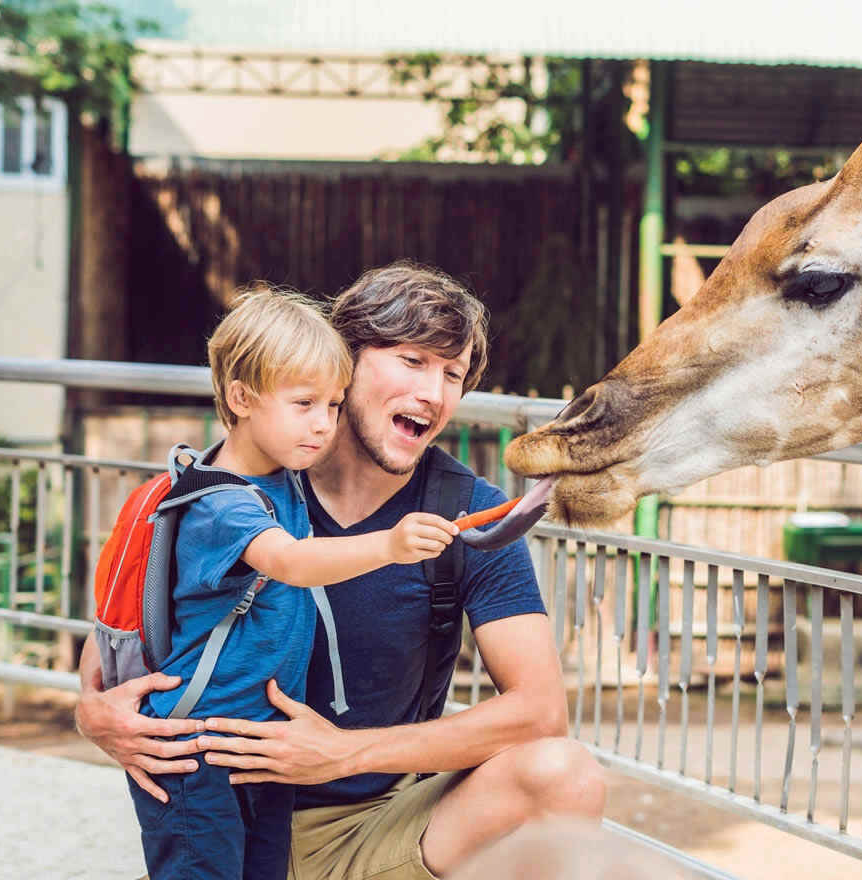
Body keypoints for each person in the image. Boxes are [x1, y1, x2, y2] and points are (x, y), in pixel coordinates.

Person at [76, 262, 607, 880]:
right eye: (413, 361)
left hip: (370, 823)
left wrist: (338, 755)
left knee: (564, 775)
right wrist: (93, 714)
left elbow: (540, 713)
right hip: (227, 812)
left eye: (452, 374)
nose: (435, 394)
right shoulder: (241, 486)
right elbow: (106, 657)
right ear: (343, 360)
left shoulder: (464, 515)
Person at [122, 287, 459, 880]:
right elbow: (289, 561)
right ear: (241, 397)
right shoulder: (222, 503)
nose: (324, 425)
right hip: (196, 750)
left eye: (333, 405)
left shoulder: (284, 478)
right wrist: (390, 546)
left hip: (260, 750)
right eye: (304, 403)